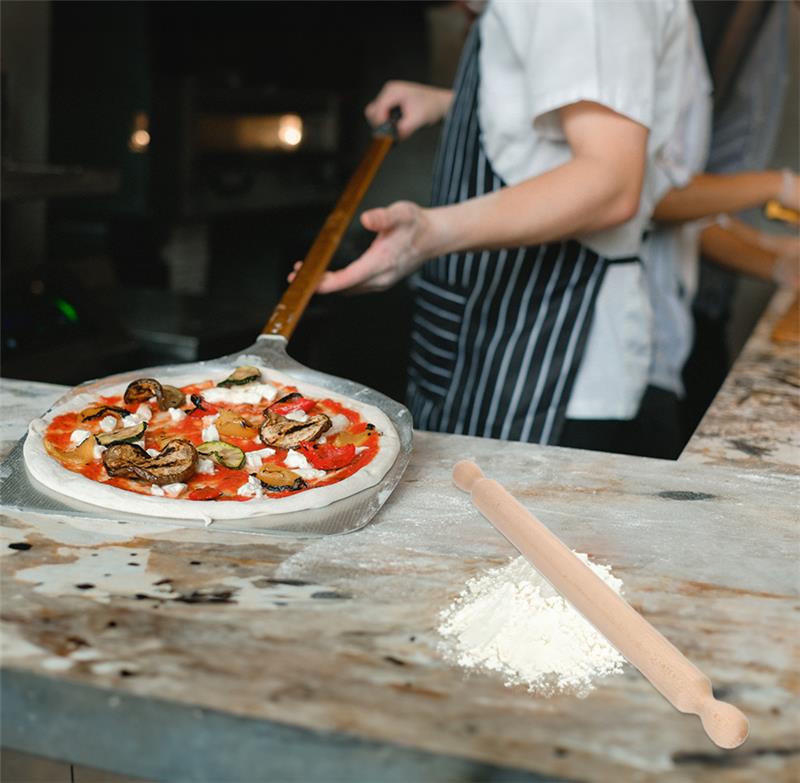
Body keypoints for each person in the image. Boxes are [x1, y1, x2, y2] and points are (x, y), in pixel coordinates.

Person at [294, 1, 695, 451]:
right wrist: (455, 103)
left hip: (546, 356)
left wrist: (424, 235)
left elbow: (611, 183)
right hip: (491, 338)